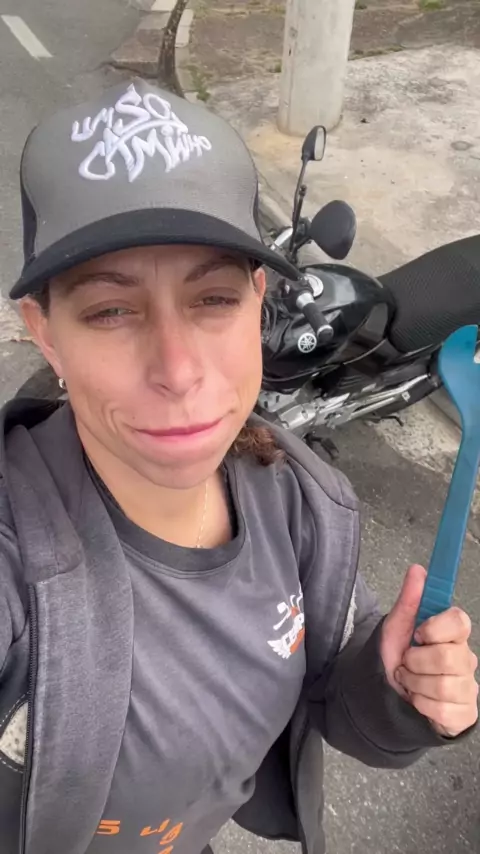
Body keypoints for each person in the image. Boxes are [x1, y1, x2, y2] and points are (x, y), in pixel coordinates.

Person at [0, 79, 477, 854]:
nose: (178, 370)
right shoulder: (16, 562)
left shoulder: (302, 502)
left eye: (213, 299)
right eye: (111, 310)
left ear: (260, 302)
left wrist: (395, 690)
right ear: (46, 333)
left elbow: (331, 693)